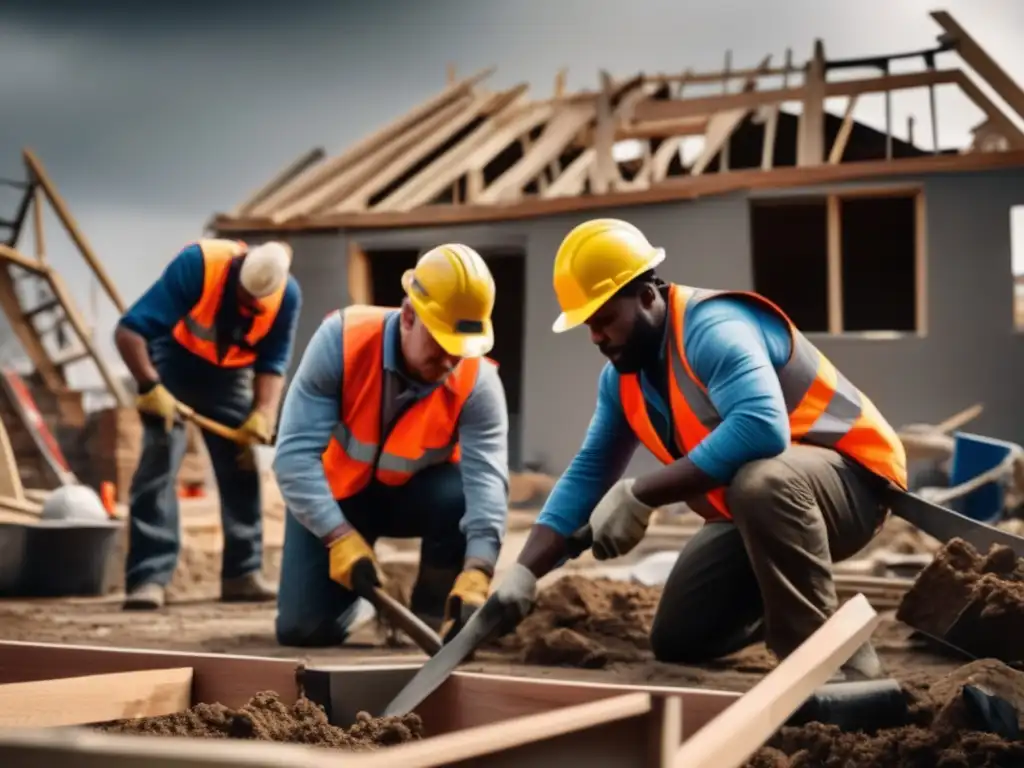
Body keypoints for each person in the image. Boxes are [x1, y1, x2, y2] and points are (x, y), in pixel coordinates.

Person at [490, 218, 907, 681]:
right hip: (760, 511)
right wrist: (525, 570)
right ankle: (809, 612)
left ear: (647, 295)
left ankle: (830, 657)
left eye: (605, 319)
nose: (596, 337)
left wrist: (640, 495)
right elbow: (589, 472)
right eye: (588, 325)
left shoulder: (713, 329)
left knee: (761, 481)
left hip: (853, 486)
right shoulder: (622, 380)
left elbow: (761, 427)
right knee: (682, 637)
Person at [272, 244, 510, 647]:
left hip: (417, 499)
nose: (452, 361)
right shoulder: (341, 342)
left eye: (461, 348)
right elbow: (293, 457)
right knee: (303, 630)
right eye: (441, 344)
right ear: (409, 316)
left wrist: (479, 568)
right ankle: (371, 602)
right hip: (337, 495)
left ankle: (430, 614)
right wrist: (337, 536)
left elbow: (487, 482)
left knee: (459, 495)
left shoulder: (478, 382)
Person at [114, 238, 302, 610]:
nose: (250, 307)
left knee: (242, 462)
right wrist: (151, 386)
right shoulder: (198, 265)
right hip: (174, 360)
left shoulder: (287, 296)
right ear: (236, 274)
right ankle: (149, 577)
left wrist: (262, 415)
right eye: (245, 299)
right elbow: (129, 332)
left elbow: (272, 363)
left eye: (256, 304)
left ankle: (241, 574)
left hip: (230, 376)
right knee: (160, 457)